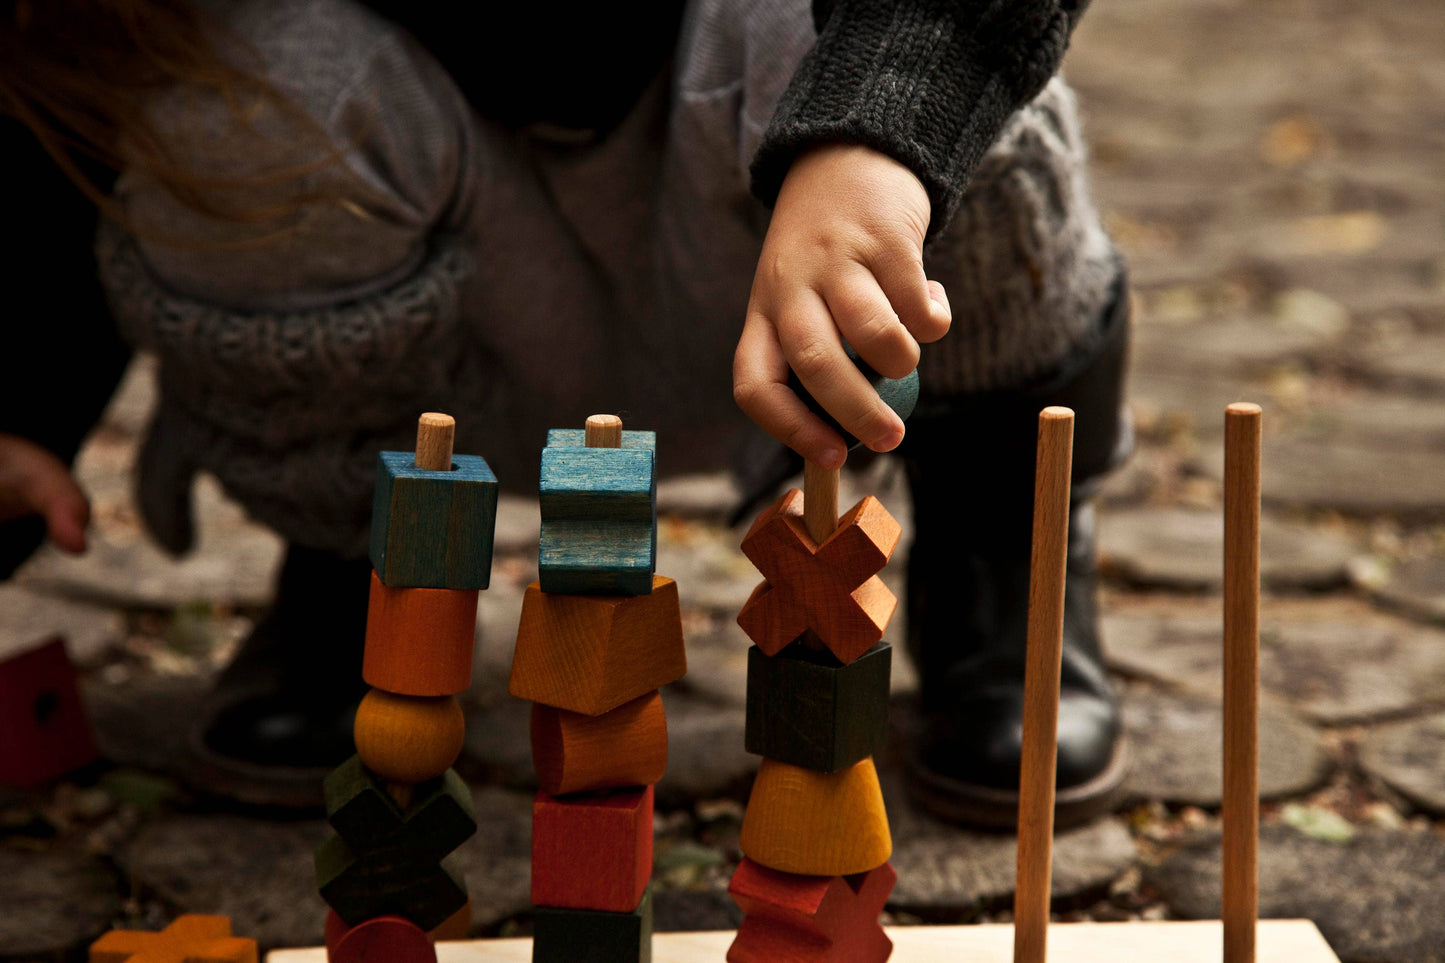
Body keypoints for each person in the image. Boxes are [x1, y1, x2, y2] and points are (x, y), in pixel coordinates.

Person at [0, 0, 1129, 827]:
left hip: (779, 229)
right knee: (236, 92)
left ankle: (999, 554)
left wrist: (874, 138)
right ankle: (366, 564)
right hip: (427, 292)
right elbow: (71, 54)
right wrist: (24, 401)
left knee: (920, 85)